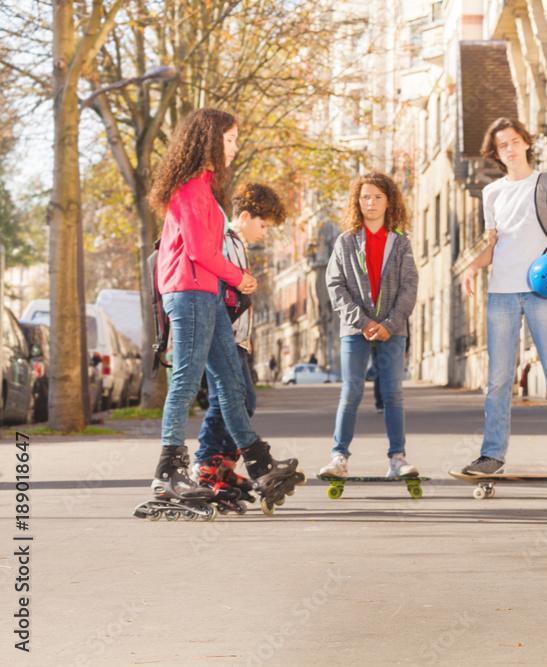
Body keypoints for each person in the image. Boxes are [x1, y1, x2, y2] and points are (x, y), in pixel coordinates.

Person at [133, 108, 300, 521]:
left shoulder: (206, 190)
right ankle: (168, 470)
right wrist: (239, 277)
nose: (234, 146)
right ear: (208, 140)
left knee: (230, 383)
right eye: (229, 139)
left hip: (205, 293)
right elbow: (198, 251)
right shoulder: (189, 189)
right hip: (187, 292)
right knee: (186, 382)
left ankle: (258, 462)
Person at [459, 117, 547, 477]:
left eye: (515, 141)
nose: (510, 149)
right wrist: (473, 267)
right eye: (503, 145)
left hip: (541, 292)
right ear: (497, 153)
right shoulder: (492, 194)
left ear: (526, 143)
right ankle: (492, 456)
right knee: (499, 380)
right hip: (501, 293)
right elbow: (494, 246)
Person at [193, 182, 288, 507]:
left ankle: (221, 465)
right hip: (222, 334)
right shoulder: (222, 239)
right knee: (228, 400)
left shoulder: (236, 242)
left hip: (236, 336)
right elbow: (215, 280)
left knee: (240, 400)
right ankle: (206, 466)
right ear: (245, 216)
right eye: (263, 225)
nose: (264, 233)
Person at [321, 171, 418, 478]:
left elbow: (409, 286)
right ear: (357, 201)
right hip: (355, 329)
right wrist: (362, 322)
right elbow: (335, 285)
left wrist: (390, 323)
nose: (371, 203)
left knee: (393, 393)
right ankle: (339, 457)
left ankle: (398, 458)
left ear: (389, 201)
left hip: (393, 329)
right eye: (365, 197)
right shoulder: (345, 241)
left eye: (378, 197)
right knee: (350, 392)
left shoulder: (401, 243)